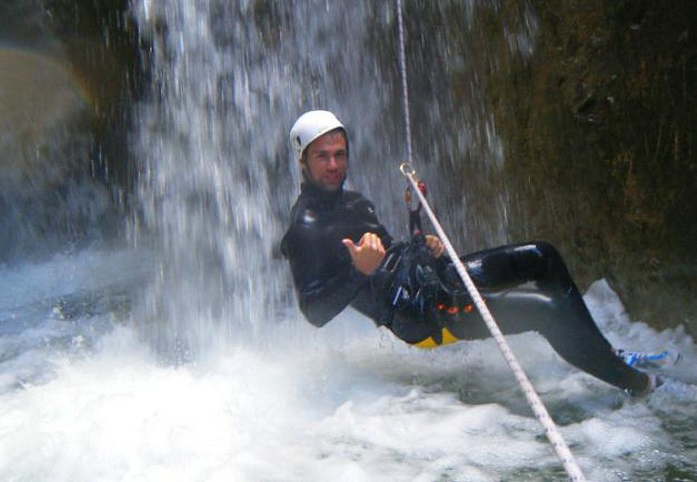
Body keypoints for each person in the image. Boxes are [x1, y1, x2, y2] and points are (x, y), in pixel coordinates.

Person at [281, 110, 660, 396]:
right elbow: (314, 312)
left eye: (340, 154)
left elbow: (390, 254)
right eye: (322, 156)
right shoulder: (306, 228)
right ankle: (640, 386)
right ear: (302, 160)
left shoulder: (356, 203)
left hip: (435, 281)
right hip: (422, 316)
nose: (334, 165)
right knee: (545, 311)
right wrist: (358, 271)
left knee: (541, 255)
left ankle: (609, 355)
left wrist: (420, 246)